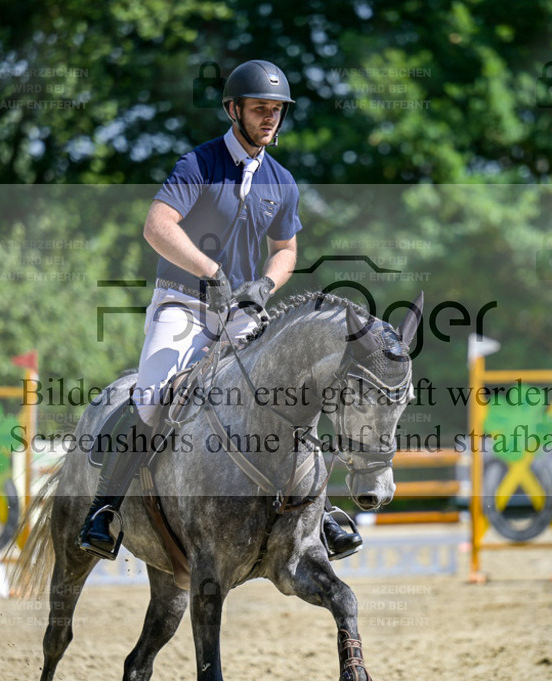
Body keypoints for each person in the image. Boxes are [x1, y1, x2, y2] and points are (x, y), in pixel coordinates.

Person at [79, 59, 362, 561]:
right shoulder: (198, 164)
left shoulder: (282, 180)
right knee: (151, 397)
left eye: (276, 110)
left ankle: (322, 512)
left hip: (240, 311)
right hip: (184, 302)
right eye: (260, 110)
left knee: (289, 387)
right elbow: (157, 226)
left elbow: (286, 251)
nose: (269, 118)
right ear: (234, 110)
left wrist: (264, 285)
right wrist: (210, 271)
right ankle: (105, 509)